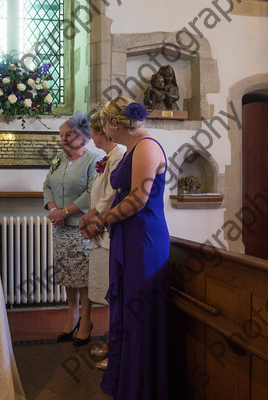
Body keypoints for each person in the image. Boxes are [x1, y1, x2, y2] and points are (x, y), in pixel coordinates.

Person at [86, 97, 174, 399]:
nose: (104, 131)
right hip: (129, 237)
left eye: (103, 123)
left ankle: (144, 387)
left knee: (139, 311)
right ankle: (128, 382)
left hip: (145, 240)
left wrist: (102, 221)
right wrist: (98, 217)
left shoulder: (147, 147)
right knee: (125, 308)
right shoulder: (132, 149)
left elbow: (137, 199)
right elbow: (120, 194)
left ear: (113, 123)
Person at [43, 111, 101, 347]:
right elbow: (47, 184)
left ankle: (86, 320)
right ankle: (72, 315)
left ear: (84, 137)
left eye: (69, 135)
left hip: (82, 229)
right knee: (67, 274)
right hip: (60, 228)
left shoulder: (94, 160)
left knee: (83, 276)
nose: (64, 139)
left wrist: (66, 212)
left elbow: (91, 193)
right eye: (62, 135)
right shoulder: (58, 159)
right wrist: (54, 209)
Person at [79, 112, 124, 370]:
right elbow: (98, 196)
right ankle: (111, 342)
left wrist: (94, 219)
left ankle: (116, 349)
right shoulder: (107, 157)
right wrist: (89, 218)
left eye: (91, 132)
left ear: (100, 131)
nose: (90, 137)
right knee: (106, 295)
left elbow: (110, 195)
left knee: (112, 295)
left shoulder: (117, 155)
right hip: (100, 232)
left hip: (107, 232)